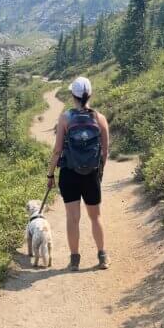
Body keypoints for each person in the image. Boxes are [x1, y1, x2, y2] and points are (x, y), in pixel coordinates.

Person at [47, 77, 111, 271]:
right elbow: (105, 151)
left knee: (72, 218)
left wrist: (50, 175)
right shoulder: (100, 119)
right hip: (91, 174)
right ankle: (102, 256)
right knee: (95, 217)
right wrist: (99, 172)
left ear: (72, 95)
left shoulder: (65, 118)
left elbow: (57, 151)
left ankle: (74, 260)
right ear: (89, 94)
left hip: (69, 173)